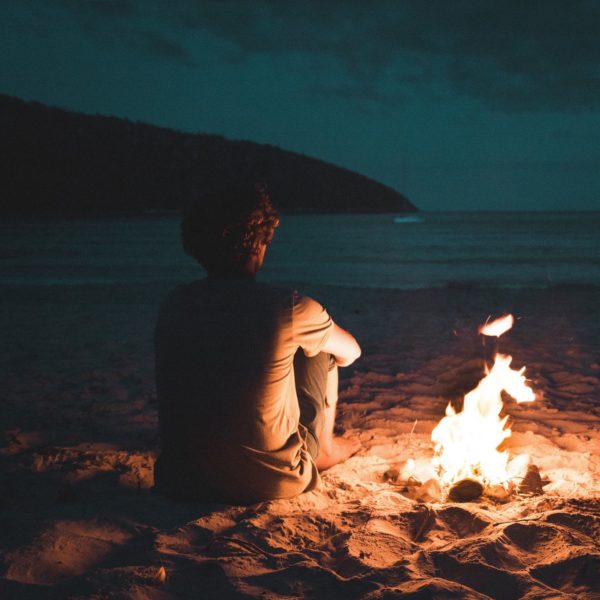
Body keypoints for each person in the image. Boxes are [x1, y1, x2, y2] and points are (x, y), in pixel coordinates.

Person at [154, 186, 361, 504]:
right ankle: (325, 447)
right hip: (272, 481)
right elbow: (351, 352)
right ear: (260, 244)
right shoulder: (288, 308)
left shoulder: (174, 303)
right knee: (320, 349)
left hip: (181, 480)